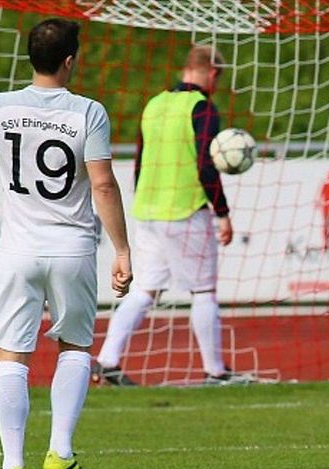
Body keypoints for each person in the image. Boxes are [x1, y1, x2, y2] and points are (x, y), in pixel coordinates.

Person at [0, 18, 133, 469]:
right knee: (76, 345)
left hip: (19, 252)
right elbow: (102, 184)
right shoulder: (88, 112)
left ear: (31, 57)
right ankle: (60, 452)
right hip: (72, 250)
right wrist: (122, 248)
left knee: (11, 353)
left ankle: (12, 464)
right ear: (70, 61)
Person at [94, 44, 240, 386]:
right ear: (213, 73)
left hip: (147, 210)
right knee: (203, 291)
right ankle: (215, 372)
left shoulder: (154, 104)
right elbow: (206, 164)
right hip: (185, 210)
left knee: (145, 290)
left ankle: (106, 361)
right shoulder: (202, 108)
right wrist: (223, 213)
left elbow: (140, 162)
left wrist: (143, 202)